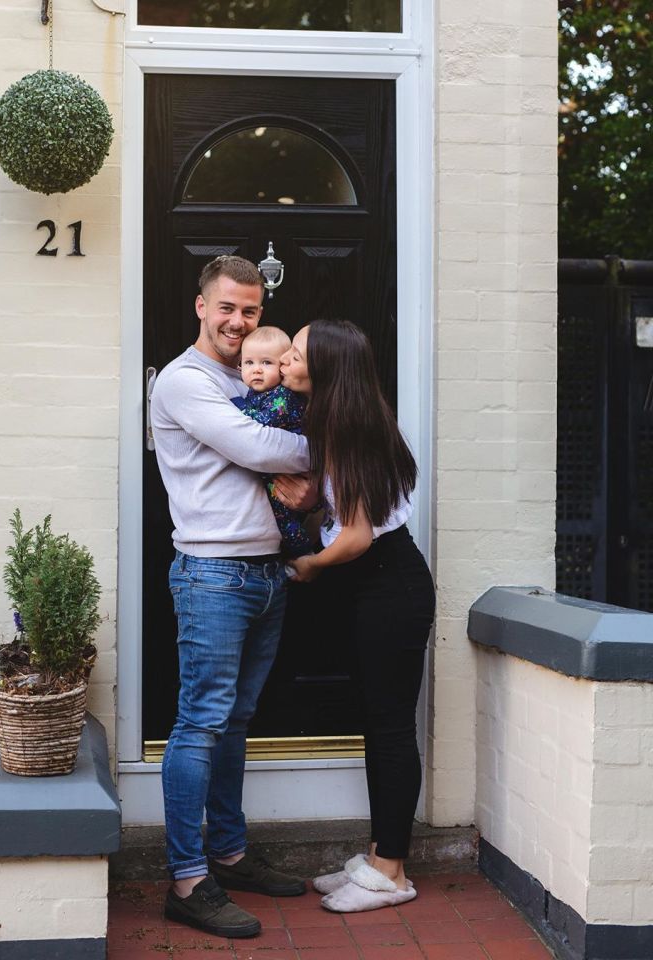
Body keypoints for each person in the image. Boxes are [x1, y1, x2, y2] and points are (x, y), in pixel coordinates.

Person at [149, 256, 310, 940]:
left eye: (250, 311)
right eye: (227, 309)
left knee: (237, 720)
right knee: (201, 723)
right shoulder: (187, 381)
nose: (239, 322)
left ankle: (231, 854)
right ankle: (188, 880)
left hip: (265, 573)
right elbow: (254, 446)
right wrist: (324, 449)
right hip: (214, 574)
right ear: (200, 307)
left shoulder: (252, 374)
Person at [275, 318, 436, 913]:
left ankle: (392, 872)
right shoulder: (340, 421)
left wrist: (312, 564)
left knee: (390, 727)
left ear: (327, 367)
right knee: (378, 722)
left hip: (389, 585)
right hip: (378, 586)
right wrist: (315, 499)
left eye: (295, 353)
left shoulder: (350, 427)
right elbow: (351, 508)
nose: (286, 359)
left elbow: (360, 538)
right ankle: (377, 858)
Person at [233, 325, 312, 558]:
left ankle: (303, 553)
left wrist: (235, 406)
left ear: (282, 366)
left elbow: (261, 423)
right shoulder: (257, 392)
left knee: (284, 517)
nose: (256, 370)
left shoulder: (282, 395)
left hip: (290, 475)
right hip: (278, 470)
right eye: (249, 363)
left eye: (266, 363)